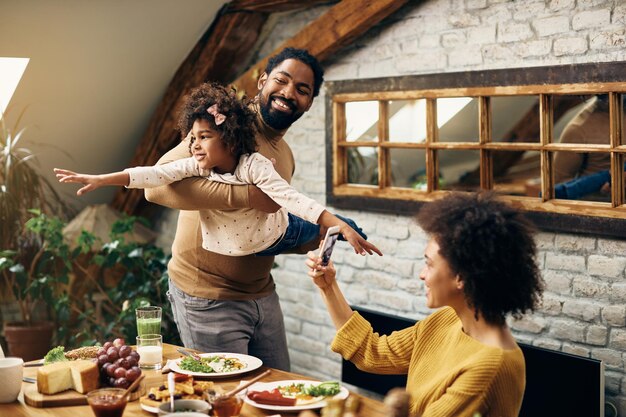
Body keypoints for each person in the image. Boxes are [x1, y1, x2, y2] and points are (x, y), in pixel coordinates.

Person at [132, 47, 323, 371]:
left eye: (302, 89)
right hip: (207, 298)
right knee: (226, 402)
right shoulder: (226, 126)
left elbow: (258, 227)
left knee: (279, 398)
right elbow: (155, 187)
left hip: (261, 296)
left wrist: (311, 241)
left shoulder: (285, 154)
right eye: (282, 80)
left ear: (309, 102)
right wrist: (246, 195)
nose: (290, 93)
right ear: (262, 81)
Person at [54, 82, 380, 258]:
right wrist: (101, 179)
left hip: (277, 231)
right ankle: (338, 234)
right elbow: (151, 175)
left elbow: (295, 201)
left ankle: (350, 234)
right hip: (259, 243)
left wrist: (338, 226)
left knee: (341, 227)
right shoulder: (197, 165)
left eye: (204, 137)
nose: (195, 145)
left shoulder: (255, 166)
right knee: (324, 230)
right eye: (192, 137)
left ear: (230, 137)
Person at [306, 192, 545, 417]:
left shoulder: (490, 367)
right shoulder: (449, 320)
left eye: (429, 264)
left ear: (461, 276)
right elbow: (373, 353)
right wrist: (328, 287)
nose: (422, 275)